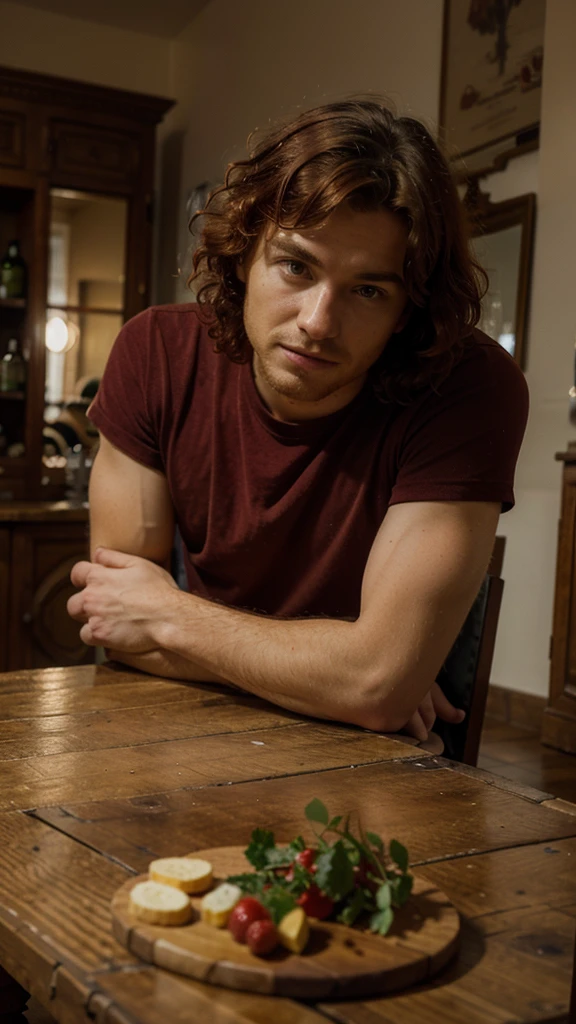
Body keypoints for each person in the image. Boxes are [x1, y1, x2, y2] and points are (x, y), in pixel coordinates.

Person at [67, 98, 528, 742]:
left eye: (369, 290)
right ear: (242, 254)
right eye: (296, 266)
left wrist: (168, 615)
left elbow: (375, 689)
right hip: (174, 730)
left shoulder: (470, 386)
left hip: (377, 762)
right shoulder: (156, 353)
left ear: (408, 311)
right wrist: (341, 677)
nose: (318, 321)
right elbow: (116, 624)